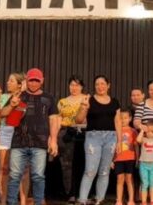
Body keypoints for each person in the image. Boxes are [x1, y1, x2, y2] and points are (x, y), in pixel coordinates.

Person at [0, 68, 60, 205]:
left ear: (42, 81)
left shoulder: (48, 98)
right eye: (31, 80)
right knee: (14, 176)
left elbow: (54, 119)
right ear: (26, 80)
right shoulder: (18, 95)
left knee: (38, 176)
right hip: (18, 142)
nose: (33, 83)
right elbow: (2, 114)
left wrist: (54, 140)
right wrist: (12, 105)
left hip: (40, 143)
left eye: (36, 81)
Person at [76, 75, 124, 205]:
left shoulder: (115, 102)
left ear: (108, 85)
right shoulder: (89, 100)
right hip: (93, 138)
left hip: (111, 138)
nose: (100, 86)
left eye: (103, 84)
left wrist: (119, 141)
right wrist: (83, 107)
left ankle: (99, 199)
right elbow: (79, 120)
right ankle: (82, 200)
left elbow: (118, 121)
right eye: (97, 84)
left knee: (104, 171)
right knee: (90, 170)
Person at [0, 72, 29, 205]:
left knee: (24, 169)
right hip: (5, 132)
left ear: (20, 85)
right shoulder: (4, 97)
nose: (8, 83)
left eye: (11, 81)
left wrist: (25, 94)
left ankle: (23, 202)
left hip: (21, 133)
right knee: (4, 168)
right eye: (8, 80)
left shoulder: (27, 97)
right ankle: (3, 201)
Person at [56, 75, 87, 203]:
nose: (74, 87)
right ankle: (70, 193)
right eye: (72, 85)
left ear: (82, 87)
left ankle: (84, 193)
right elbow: (57, 119)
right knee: (67, 165)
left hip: (84, 133)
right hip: (66, 134)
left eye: (77, 85)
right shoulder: (62, 101)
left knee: (83, 164)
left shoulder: (87, 99)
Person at [113, 110, 139, 205]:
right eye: (120, 118)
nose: (123, 120)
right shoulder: (115, 131)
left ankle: (131, 200)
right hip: (118, 158)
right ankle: (119, 200)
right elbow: (112, 146)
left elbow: (136, 146)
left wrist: (137, 158)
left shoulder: (133, 131)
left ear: (130, 118)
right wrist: (112, 160)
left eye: (125, 118)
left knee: (129, 178)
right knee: (120, 179)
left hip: (130, 158)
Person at [129, 88, 146, 202]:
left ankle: (144, 194)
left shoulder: (148, 108)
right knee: (132, 170)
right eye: (133, 95)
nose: (135, 97)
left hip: (146, 143)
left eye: (138, 95)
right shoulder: (128, 111)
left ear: (143, 95)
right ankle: (132, 195)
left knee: (145, 169)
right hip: (130, 143)